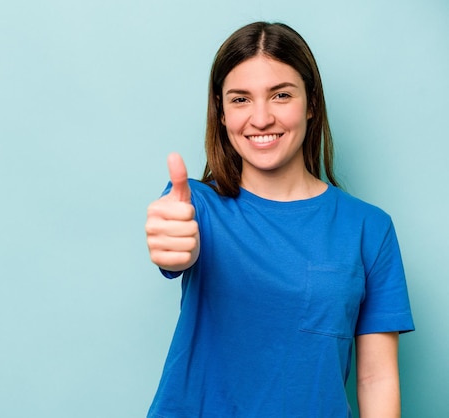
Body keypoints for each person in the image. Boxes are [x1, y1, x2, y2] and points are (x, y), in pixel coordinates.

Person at [144, 22, 414, 418]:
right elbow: (175, 247)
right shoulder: (196, 207)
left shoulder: (369, 228)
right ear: (220, 112)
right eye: (240, 100)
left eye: (281, 95)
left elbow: (376, 378)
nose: (261, 117)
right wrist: (172, 247)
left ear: (311, 104)